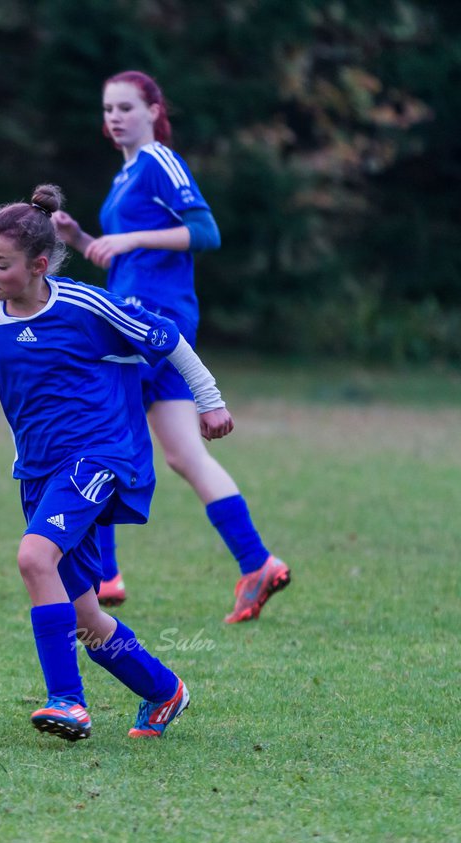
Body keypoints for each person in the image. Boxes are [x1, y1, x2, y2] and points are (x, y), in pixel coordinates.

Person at [0, 185, 232, 740]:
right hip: (39, 470)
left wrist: (209, 401)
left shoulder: (84, 305)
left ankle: (67, 702)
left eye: (1, 263)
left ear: (39, 264)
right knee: (85, 617)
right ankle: (164, 690)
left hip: (101, 455)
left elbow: (168, 341)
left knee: (33, 558)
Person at [52, 70, 290, 623]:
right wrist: (82, 240)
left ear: (154, 110)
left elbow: (205, 232)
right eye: (108, 108)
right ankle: (256, 562)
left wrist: (131, 237)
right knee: (185, 453)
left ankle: (104, 575)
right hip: (144, 316)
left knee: (99, 433)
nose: (115, 117)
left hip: (150, 322)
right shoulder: (126, 175)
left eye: (127, 107)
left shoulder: (159, 162)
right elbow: (126, 257)